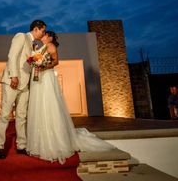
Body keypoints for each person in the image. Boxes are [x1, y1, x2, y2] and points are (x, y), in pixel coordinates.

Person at [26, 31, 115, 164]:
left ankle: (55, 139)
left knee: (49, 103)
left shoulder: (51, 46)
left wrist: (43, 66)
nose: (43, 37)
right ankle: (39, 138)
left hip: (47, 77)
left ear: (49, 37)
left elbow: (56, 62)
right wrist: (34, 61)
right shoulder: (40, 47)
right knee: (39, 104)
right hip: (39, 78)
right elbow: (35, 58)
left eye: (45, 35)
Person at [0, 20, 47, 159]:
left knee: (22, 115)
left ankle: (21, 145)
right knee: (5, 114)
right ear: (36, 28)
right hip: (12, 82)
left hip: (25, 85)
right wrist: (14, 76)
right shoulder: (21, 36)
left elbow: (28, 63)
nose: (44, 33)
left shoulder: (34, 44)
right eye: (43, 31)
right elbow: (12, 56)